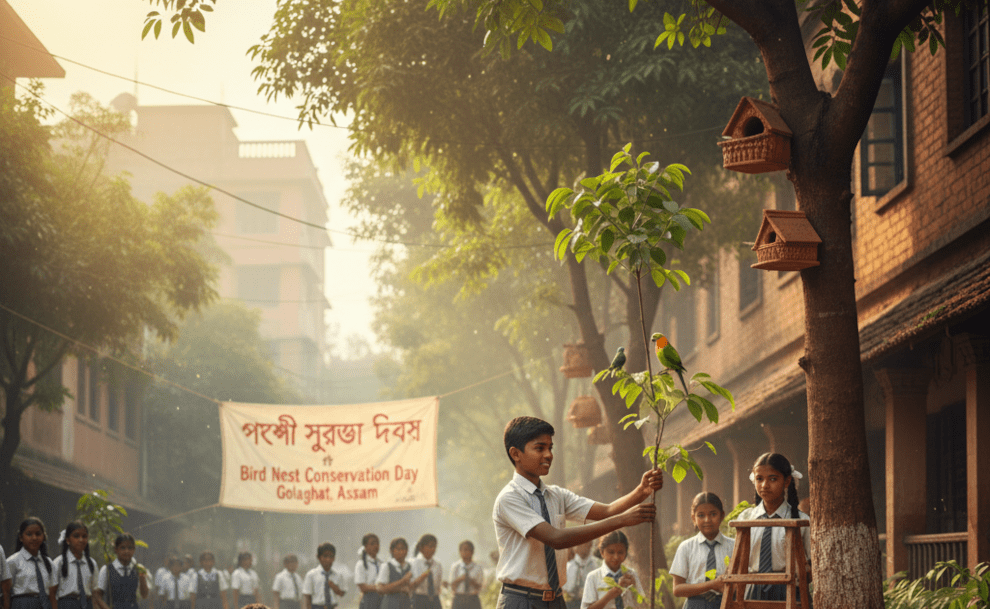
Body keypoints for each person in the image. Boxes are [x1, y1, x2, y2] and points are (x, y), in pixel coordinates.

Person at [492, 417, 662, 609]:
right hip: (520, 600)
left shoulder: (556, 495)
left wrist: (641, 491)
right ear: (516, 454)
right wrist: (622, 520)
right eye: (540, 448)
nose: (548, 454)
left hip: (556, 600)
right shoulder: (509, 498)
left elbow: (606, 510)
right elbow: (556, 538)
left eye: (550, 448)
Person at [737, 452, 811, 602]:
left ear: (786, 481)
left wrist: (802, 575)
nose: (764, 485)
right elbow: (739, 560)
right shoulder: (746, 519)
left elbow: (812, 563)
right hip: (753, 590)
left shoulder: (801, 521)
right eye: (759, 479)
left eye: (773, 479)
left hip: (789, 589)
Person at [670, 493, 734, 609]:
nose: (707, 520)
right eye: (701, 515)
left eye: (713, 514)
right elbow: (677, 589)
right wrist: (712, 585)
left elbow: (743, 583)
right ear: (693, 518)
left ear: (722, 515)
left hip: (726, 604)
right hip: (695, 604)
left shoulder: (734, 546)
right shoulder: (686, 547)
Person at [579, 532, 642, 609]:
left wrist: (634, 589)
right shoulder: (593, 577)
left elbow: (643, 604)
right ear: (602, 552)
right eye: (611, 552)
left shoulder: (631, 574)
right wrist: (609, 595)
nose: (616, 557)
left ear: (626, 553)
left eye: (620, 552)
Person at [6, 517, 57, 609]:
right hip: (21, 605)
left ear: (44, 536)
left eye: (38, 534)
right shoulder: (13, 562)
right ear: (21, 537)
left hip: (45, 604)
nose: (34, 538)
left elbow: (53, 595)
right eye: (29, 534)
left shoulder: (49, 563)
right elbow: (6, 592)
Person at [50, 522, 98, 609]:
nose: (81, 540)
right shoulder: (59, 562)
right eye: (76, 536)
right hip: (66, 604)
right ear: (68, 540)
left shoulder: (92, 563)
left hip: (87, 604)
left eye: (84, 536)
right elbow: (52, 592)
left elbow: (95, 593)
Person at [94, 534, 149, 609]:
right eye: (123, 548)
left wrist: (143, 579)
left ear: (134, 550)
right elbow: (97, 596)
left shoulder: (137, 569)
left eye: (130, 548)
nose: (127, 551)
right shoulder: (106, 570)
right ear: (116, 549)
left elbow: (144, 595)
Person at [302, 544, 346, 609]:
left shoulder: (337, 575)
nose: (328, 559)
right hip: (317, 606)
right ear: (318, 557)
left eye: (331, 556)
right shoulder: (311, 575)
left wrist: (334, 587)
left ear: (334, 558)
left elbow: (342, 593)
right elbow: (308, 596)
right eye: (325, 556)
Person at [374, 539, 411, 609]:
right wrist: (402, 581)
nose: (401, 552)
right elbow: (380, 589)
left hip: (405, 604)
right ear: (392, 551)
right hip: (390, 604)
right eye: (398, 549)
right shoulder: (387, 566)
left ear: (407, 551)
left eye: (403, 549)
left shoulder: (409, 566)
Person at [409, 536, 440, 609]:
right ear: (421, 548)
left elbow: (438, 585)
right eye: (430, 546)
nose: (432, 549)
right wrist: (422, 577)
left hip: (434, 600)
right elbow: (409, 586)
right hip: (419, 598)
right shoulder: (413, 563)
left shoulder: (437, 565)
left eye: (434, 547)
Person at [448, 541, 481, 609]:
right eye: (465, 549)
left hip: (473, 599)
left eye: (469, 550)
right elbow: (452, 585)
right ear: (460, 551)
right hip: (459, 598)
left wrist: (470, 580)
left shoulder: (477, 567)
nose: (467, 552)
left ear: (472, 552)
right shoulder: (455, 566)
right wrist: (461, 578)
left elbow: (480, 586)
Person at [563, 542, 595, 609]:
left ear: (590, 544)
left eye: (581, 543)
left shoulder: (597, 565)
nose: (577, 546)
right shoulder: (567, 567)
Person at [352, 536, 380, 609]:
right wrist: (379, 587)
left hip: (381, 599)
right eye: (372, 543)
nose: (376, 546)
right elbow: (362, 587)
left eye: (377, 543)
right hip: (368, 600)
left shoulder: (380, 563)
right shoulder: (361, 564)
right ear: (365, 546)